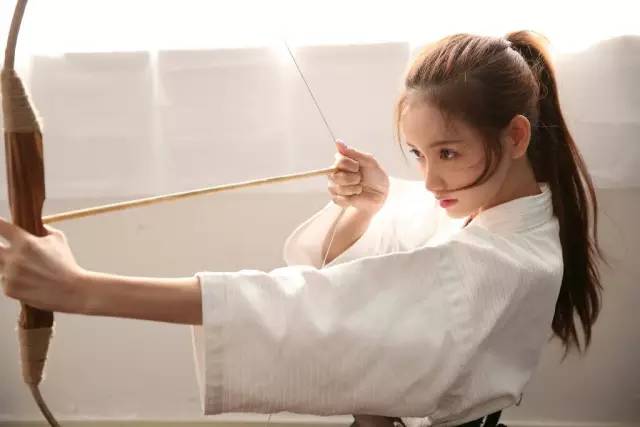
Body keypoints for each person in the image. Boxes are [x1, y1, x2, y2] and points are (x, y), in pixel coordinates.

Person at [0, 30, 603, 426]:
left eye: (448, 153)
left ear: (516, 136)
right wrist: (368, 207)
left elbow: (311, 304)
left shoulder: (509, 262)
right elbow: (387, 254)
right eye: (418, 155)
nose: (430, 179)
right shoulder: (496, 207)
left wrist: (81, 290)